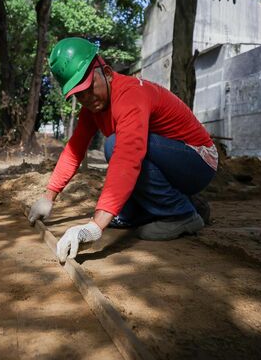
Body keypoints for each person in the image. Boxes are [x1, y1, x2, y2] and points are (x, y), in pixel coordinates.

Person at [28, 37, 217, 263]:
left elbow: (128, 157)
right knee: (118, 163)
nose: (86, 99)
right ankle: (161, 208)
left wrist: (95, 227)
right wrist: (49, 196)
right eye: (78, 94)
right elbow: (74, 150)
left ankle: (181, 214)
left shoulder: (130, 96)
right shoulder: (92, 110)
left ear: (106, 72)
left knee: (115, 144)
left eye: (88, 87)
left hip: (198, 160)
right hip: (169, 161)